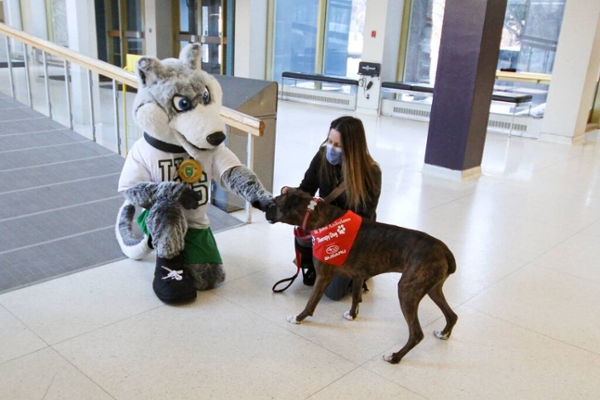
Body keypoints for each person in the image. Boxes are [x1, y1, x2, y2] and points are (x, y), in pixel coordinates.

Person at [282, 116, 382, 300]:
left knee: (333, 294)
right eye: (329, 141)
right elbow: (307, 188)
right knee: (303, 232)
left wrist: (331, 230)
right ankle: (314, 264)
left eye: (338, 145)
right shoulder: (322, 156)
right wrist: (291, 193)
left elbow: (364, 220)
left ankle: (360, 272)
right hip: (326, 227)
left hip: (351, 235)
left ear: (352, 149)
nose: (331, 148)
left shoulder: (371, 172)